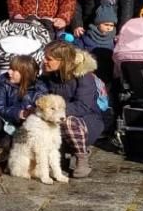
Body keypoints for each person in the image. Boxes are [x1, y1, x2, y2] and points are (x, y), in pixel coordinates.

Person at [39, 41, 107, 178]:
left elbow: (83, 105)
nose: (44, 61)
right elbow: (40, 95)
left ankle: (82, 158)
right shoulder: (48, 76)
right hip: (57, 115)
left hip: (87, 120)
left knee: (68, 122)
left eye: (49, 59)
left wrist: (54, 113)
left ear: (62, 61)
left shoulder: (83, 77)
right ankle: (60, 154)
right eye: (44, 57)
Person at [0, 55, 46, 151]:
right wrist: (18, 113)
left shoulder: (39, 89)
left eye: (14, 70)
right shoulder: (3, 83)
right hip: (5, 121)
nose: (9, 72)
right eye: (10, 68)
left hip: (23, 126)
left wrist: (33, 111)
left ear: (25, 73)